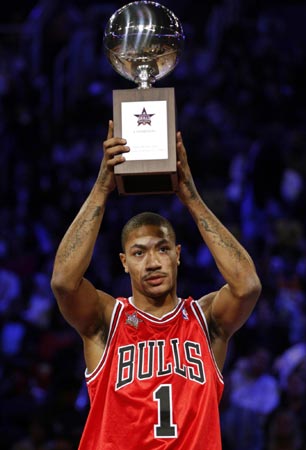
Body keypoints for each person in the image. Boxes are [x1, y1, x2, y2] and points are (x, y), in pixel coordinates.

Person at [51, 120, 262, 450]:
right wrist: (101, 189)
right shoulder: (107, 319)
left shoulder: (206, 319)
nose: (152, 262)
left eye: (162, 249)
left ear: (177, 255)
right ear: (124, 262)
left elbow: (247, 285)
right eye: (139, 252)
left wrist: (190, 197)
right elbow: (63, 282)